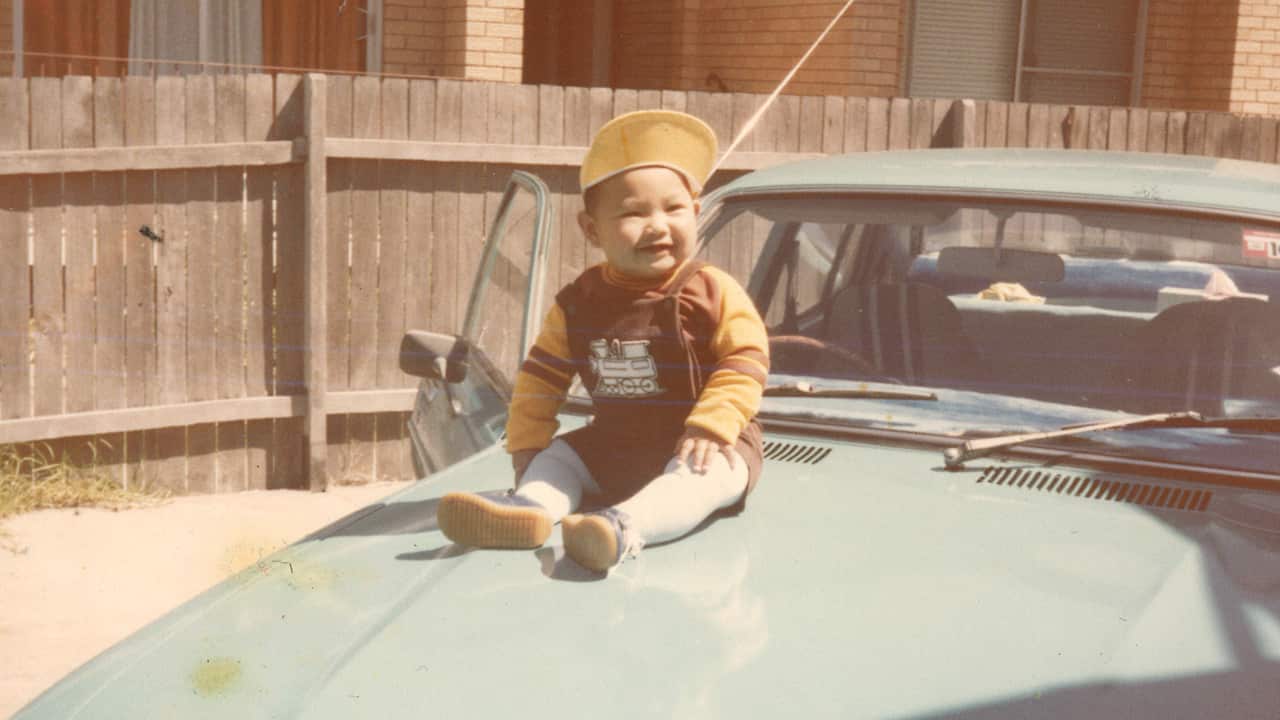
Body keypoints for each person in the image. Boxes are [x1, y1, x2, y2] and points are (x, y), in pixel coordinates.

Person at [436, 110, 769, 572]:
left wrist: (712, 424)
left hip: (703, 442)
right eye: (633, 213)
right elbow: (541, 376)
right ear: (592, 230)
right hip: (615, 444)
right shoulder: (580, 302)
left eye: (673, 209)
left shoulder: (710, 289)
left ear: (695, 214)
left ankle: (622, 527)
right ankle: (531, 508)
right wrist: (527, 448)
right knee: (561, 458)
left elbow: (746, 357)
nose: (657, 225)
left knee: (703, 479)